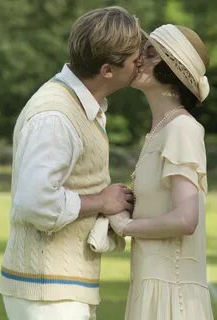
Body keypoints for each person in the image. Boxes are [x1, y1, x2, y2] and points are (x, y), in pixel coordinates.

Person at [0, 6, 142, 320]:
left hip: (59, 291)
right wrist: (102, 201)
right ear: (107, 70)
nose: (140, 64)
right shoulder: (57, 116)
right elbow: (34, 202)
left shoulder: (77, 106)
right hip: (47, 294)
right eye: (134, 59)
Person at [109, 24, 214, 319]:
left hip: (173, 297)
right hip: (151, 287)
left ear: (173, 70)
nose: (138, 58)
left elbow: (185, 218)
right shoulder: (162, 130)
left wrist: (126, 226)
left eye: (151, 53)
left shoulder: (181, 129)